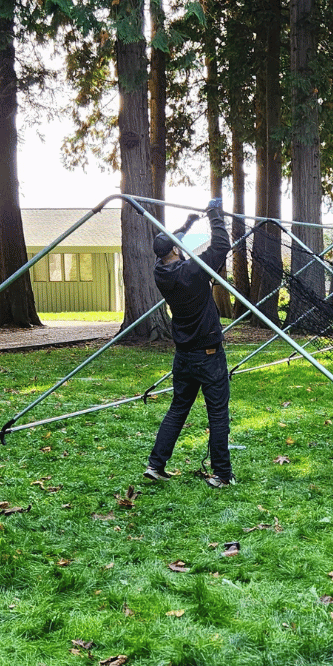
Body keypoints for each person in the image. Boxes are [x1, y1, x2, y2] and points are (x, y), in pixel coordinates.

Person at [143, 199, 235, 489]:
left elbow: (169, 245)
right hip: (208, 356)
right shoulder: (192, 271)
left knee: (178, 409)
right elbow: (221, 246)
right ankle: (222, 474)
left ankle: (156, 465)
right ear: (173, 250)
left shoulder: (161, 272)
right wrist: (213, 214)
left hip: (183, 357)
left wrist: (187, 224)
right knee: (218, 414)